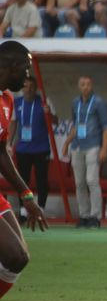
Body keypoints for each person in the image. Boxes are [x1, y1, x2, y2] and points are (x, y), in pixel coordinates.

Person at [0, 42, 48, 298]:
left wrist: (27, 196)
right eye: (26, 68)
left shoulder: (7, 101)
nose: (28, 75)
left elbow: (0, 152)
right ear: (13, 66)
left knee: (19, 258)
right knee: (13, 255)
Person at [66, 75, 107, 228]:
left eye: (88, 84)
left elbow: (105, 127)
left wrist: (104, 148)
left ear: (92, 86)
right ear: (79, 86)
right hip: (77, 146)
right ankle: (84, 215)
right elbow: (75, 125)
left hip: (93, 145)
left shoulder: (99, 102)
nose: (85, 87)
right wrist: (66, 143)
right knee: (79, 182)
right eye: (82, 84)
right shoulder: (75, 103)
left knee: (92, 180)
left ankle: (95, 216)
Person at [13, 77, 55, 218]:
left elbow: (55, 121)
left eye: (31, 86)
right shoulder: (17, 102)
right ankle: (24, 210)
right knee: (22, 180)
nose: (28, 89)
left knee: (41, 180)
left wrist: (49, 113)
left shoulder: (44, 101)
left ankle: (41, 208)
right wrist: (8, 143)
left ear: (36, 87)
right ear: (22, 88)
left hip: (41, 149)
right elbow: (14, 123)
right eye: (26, 86)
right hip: (22, 149)